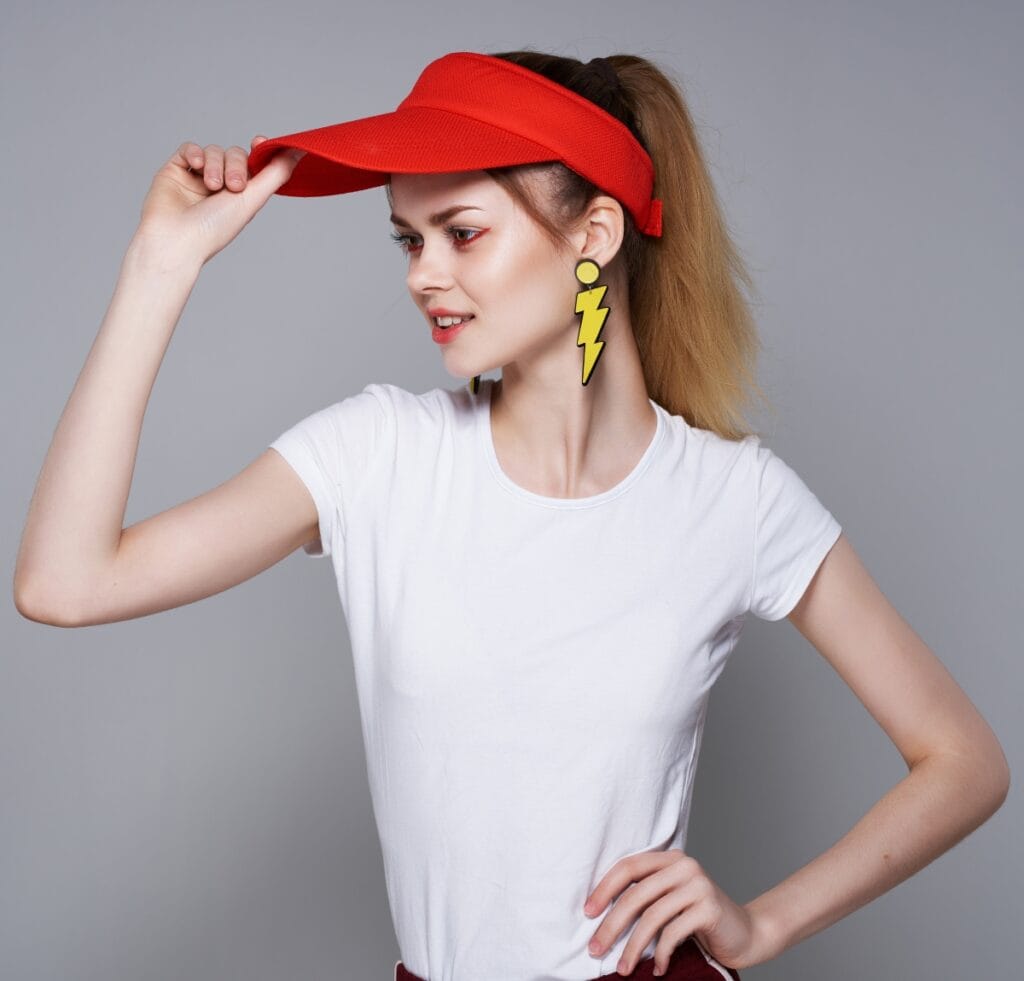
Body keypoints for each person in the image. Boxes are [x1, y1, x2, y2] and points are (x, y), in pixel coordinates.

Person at [13, 48, 1009, 981]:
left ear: (593, 234)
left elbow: (964, 763)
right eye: (409, 238)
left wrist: (761, 925)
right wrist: (162, 262)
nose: (422, 275)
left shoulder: (732, 500)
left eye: (462, 233)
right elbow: (64, 584)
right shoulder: (378, 458)